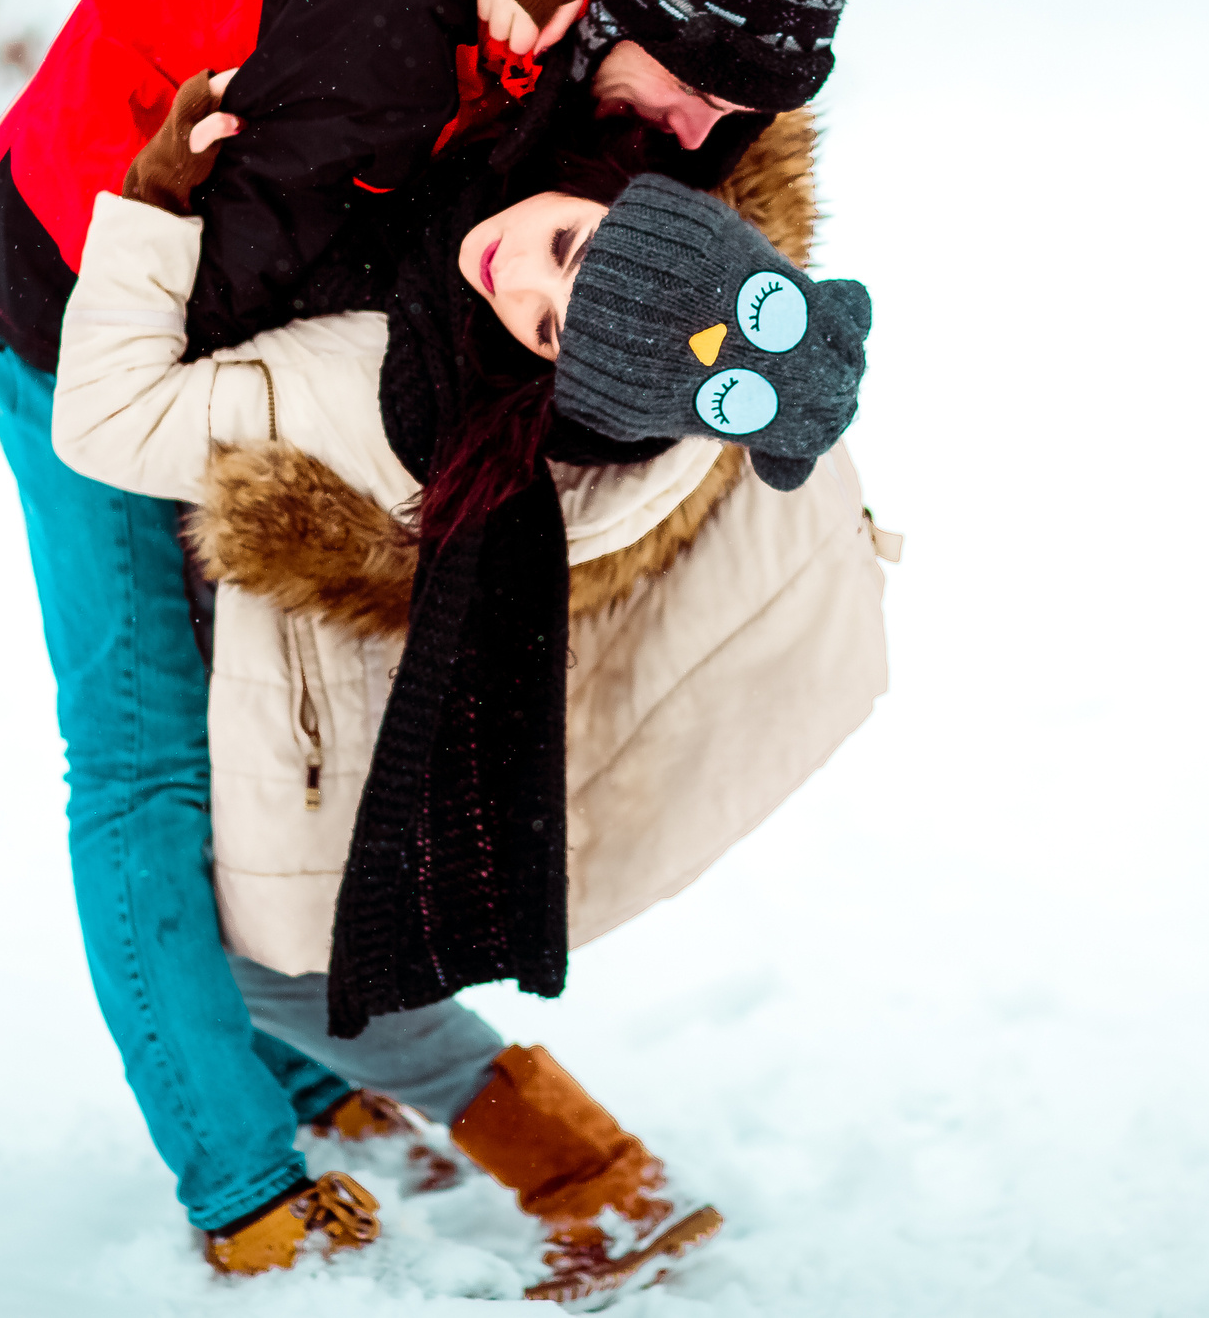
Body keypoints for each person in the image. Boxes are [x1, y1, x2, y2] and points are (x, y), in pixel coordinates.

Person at [0, 0, 861, 1281]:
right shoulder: (373, 51)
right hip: (82, 281)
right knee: (149, 754)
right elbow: (153, 383)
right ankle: (247, 1186)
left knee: (275, 750)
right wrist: (417, 430)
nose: (703, 133)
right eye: (691, 88)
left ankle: (322, 1078)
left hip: (345, 303)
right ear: (615, 3)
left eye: (737, 110)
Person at [55, 85, 886, 1295]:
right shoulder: (590, 365)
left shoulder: (374, 386)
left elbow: (106, 421)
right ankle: (553, 1160)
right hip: (347, 713)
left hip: (332, 729)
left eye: (548, 326)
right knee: (284, 969)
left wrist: (155, 201)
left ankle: (599, 1177)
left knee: (272, 971)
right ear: (615, 188)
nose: (517, 279)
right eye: (564, 249)